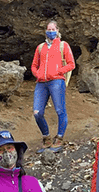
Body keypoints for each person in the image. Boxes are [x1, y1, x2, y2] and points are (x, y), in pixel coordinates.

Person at [31, 20, 75, 152]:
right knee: (37, 112)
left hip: (57, 81)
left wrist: (58, 71)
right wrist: (37, 74)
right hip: (41, 83)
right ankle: (46, 137)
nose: (50, 32)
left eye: (53, 29)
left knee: (60, 110)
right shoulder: (40, 47)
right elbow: (34, 65)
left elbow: (71, 64)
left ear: (57, 30)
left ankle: (59, 138)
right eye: (48, 29)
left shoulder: (63, 45)